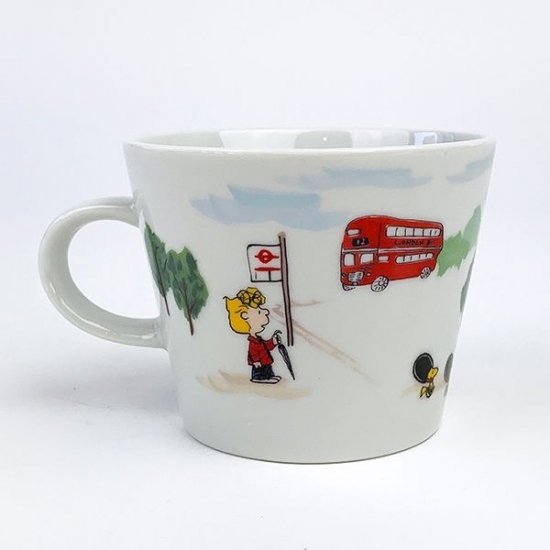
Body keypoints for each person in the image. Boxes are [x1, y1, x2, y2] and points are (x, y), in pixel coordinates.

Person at [224, 287, 282, 384]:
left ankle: (269, 377)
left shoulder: (258, 339)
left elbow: (266, 346)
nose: (266, 312)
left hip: (265, 360)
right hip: (260, 362)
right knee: (260, 371)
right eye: (259, 311)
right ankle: (259, 378)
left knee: (267, 369)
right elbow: (253, 352)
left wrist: (273, 341)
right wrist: (256, 361)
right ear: (245, 316)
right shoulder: (253, 342)